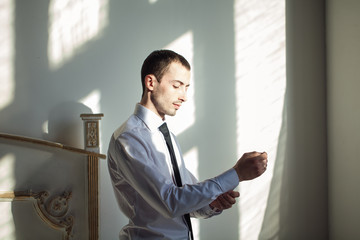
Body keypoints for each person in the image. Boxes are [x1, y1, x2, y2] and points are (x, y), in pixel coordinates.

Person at [107, 49, 268, 240]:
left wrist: (212, 203)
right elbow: (171, 202)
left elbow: (184, 202)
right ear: (151, 82)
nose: (184, 96)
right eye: (177, 86)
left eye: (187, 87)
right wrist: (237, 173)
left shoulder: (166, 135)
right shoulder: (128, 139)